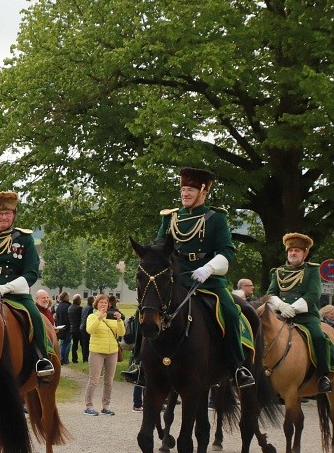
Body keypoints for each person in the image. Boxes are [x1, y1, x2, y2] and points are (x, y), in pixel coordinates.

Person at [123, 167, 255, 389]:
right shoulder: (171, 217)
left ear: (203, 192)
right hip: (176, 278)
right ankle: (139, 364)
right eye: (183, 189)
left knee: (231, 312)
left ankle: (237, 366)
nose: (185, 193)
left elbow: (227, 251)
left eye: (191, 190)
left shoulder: (216, 218)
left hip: (208, 280)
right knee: (143, 311)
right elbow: (158, 245)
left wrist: (209, 268)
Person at [0, 191, 54, 379]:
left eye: (8, 213)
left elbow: (31, 272)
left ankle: (42, 359)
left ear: (14, 215)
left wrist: (7, 288)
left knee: (34, 316)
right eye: (0, 213)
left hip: (15, 292)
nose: (4, 217)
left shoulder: (23, 238)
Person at [265, 233, 331, 393]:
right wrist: (281, 306)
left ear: (305, 254)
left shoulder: (312, 270)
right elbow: (270, 293)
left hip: (306, 316)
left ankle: (324, 376)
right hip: (281, 315)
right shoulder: (278, 272)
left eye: (297, 251)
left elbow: (313, 294)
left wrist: (293, 308)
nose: (293, 253)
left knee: (319, 337)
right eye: (291, 250)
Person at [84, 294, 124, 416]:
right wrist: (99, 318)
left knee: (109, 381)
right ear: (96, 304)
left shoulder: (112, 316)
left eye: (105, 303)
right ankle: (88, 406)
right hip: (97, 351)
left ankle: (106, 406)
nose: (103, 304)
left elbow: (121, 333)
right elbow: (89, 330)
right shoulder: (92, 316)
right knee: (94, 379)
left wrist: (119, 320)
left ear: (109, 305)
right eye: (101, 302)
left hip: (112, 351)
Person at [68, 295, 87, 364]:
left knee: (74, 345)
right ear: (78, 301)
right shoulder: (80, 308)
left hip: (72, 328)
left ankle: (74, 359)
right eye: (80, 300)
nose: (81, 301)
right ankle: (85, 359)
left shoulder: (70, 308)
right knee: (83, 344)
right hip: (79, 328)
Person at [54, 293, 72, 365]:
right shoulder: (68, 306)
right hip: (67, 327)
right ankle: (63, 359)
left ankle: (63, 358)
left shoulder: (59, 306)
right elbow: (69, 318)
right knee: (66, 344)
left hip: (60, 327)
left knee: (62, 343)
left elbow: (56, 317)